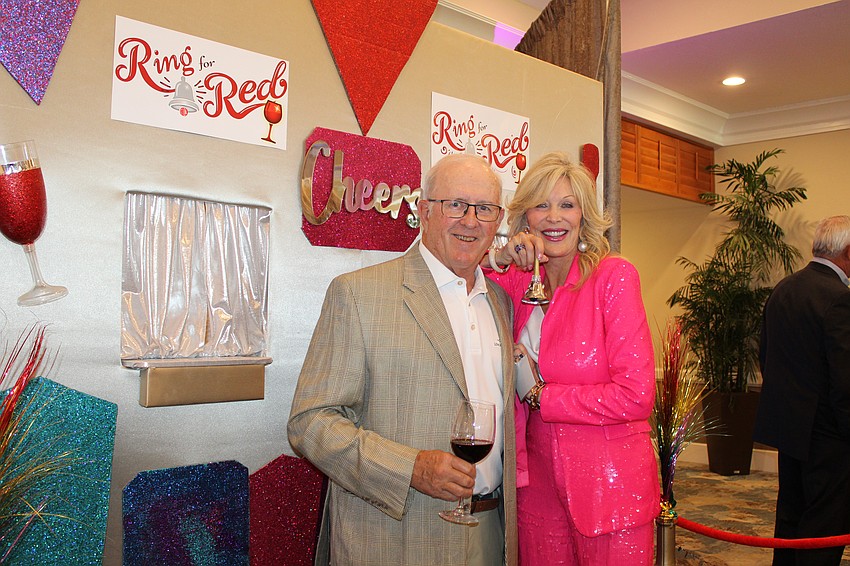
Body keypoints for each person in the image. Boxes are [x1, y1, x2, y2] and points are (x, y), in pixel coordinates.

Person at [288, 153, 517, 566]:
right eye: (455, 205)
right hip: (394, 537)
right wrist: (410, 468)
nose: (470, 221)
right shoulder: (358, 294)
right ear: (425, 210)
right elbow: (310, 423)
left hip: (491, 532)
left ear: (498, 220)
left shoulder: (500, 302)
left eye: (484, 209)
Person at [484, 152, 659, 565]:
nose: (553, 217)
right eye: (541, 204)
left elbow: (636, 395)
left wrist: (544, 396)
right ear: (525, 215)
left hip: (610, 487)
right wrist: (502, 256)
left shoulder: (612, 277)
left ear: (583, 215)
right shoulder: (520, 280)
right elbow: (462, 284)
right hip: (537, 484)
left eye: (567, 204)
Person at [753, 215, 850, 566]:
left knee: (791, 519)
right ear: (847, 252)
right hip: (829, 437)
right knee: (824, 526)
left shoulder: (784, 288)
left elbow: (766, 355)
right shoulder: (840, 298)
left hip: (790, 429)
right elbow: (844, 380)